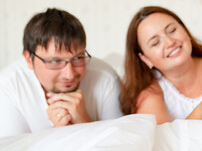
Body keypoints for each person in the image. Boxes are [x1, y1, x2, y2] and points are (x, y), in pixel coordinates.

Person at [0, 8, 122, 138]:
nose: (69, 74)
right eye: (55, 61)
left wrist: (85, 122)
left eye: (78, 58)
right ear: (29, 59)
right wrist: (56, 133)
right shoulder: (8, 85)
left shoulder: (105, 77)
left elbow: (122, 147)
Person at [120, 6, 202, 124]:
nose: (170, 42)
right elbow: (164, 142)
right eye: (155, 43)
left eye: (172, 30)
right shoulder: (149, 92)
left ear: (185, 30)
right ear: (146, 59)